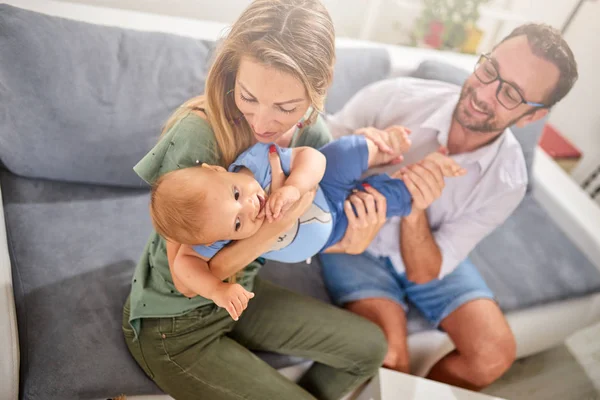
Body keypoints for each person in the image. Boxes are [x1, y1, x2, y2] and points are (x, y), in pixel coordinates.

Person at [120, 1, 397, 399]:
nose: (263, 123)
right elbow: (186, 281)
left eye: (285, 107)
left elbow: (309, 225)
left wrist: (349, 240)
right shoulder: (200, 135)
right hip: (174, 324)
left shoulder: (311, 136)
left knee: (369, 348)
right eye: (248, 97)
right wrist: (272, 229)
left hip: (241, 293)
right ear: (231, 72)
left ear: (319, 89)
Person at [318, 23, 579, 391]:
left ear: (532, 116)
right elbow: (311, 167)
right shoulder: (394, 98)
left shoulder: (508, 182)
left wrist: (414, 209)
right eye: (490, 70)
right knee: (390, 360)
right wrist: (363, 153)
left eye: (510, 94)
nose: (484, 94)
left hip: (430, 249)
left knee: (494, 355)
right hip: (355, 243)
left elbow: (427, 272)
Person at [148, 133, 465, 320]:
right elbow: (186, 265)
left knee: (346, 149)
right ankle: (425, 172)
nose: (250, 205)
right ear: (221, 236)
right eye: (237, 222)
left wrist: (294, 187)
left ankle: (386, 145)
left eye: (235, 193)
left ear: (219, 170)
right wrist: (217, 289)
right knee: (387, 199)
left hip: (326, 185)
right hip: (335, 228)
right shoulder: (210, 232)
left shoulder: (258, 160)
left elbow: (310, 157)